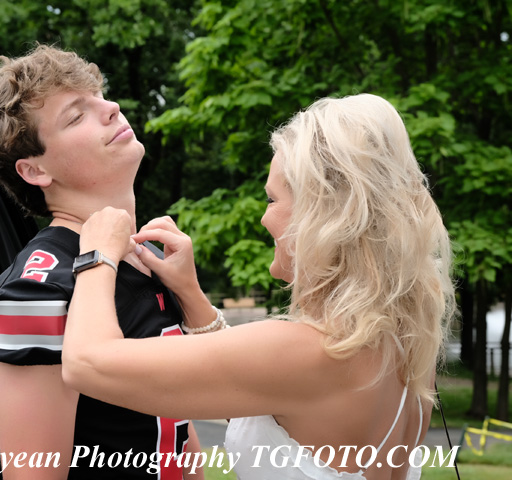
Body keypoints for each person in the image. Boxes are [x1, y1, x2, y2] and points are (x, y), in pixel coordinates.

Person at [60, 93, 457, 479]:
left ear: (320, 216)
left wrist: (97, 255)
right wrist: (191, 293)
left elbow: (87, 364)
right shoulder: (399, 343)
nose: (264, 219)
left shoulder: (309, 350)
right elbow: (266, 403)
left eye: (271, 199)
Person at [0, 43, 206, 479]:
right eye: (76, 115)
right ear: (34, 171)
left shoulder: (149, 255)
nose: (111, 108)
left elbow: (177, 430)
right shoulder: (37, 288)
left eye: (100, 96)